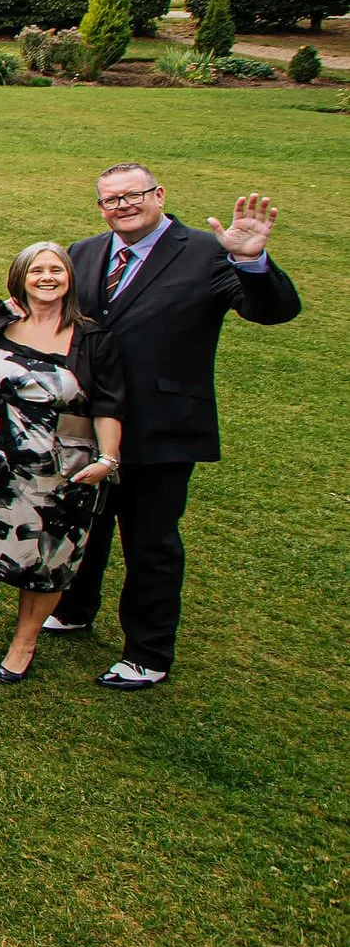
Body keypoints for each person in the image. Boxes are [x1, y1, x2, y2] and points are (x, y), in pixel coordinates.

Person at [51, 171, 298, 688]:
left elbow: (273, 311)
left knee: (149, 541)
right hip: (87, 419)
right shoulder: (85, 251)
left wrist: (250, 261)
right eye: (111, 200)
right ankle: (75, 607)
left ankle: (148, 652)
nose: (123, 206)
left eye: (133, 196)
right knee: (86, 523)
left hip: (160, 424)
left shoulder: (209, 252)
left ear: (159, 196)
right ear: (99, 206)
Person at [0, 213, 126, 682]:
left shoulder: (93, 339)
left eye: (56, 270)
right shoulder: (1, 321)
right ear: (21, 278)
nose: (46, 278)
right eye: (36, 270)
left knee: (51, 555)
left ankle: (25, 639)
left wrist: (107, 460)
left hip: (64, 462)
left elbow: (108, 406)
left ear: (69, 279)